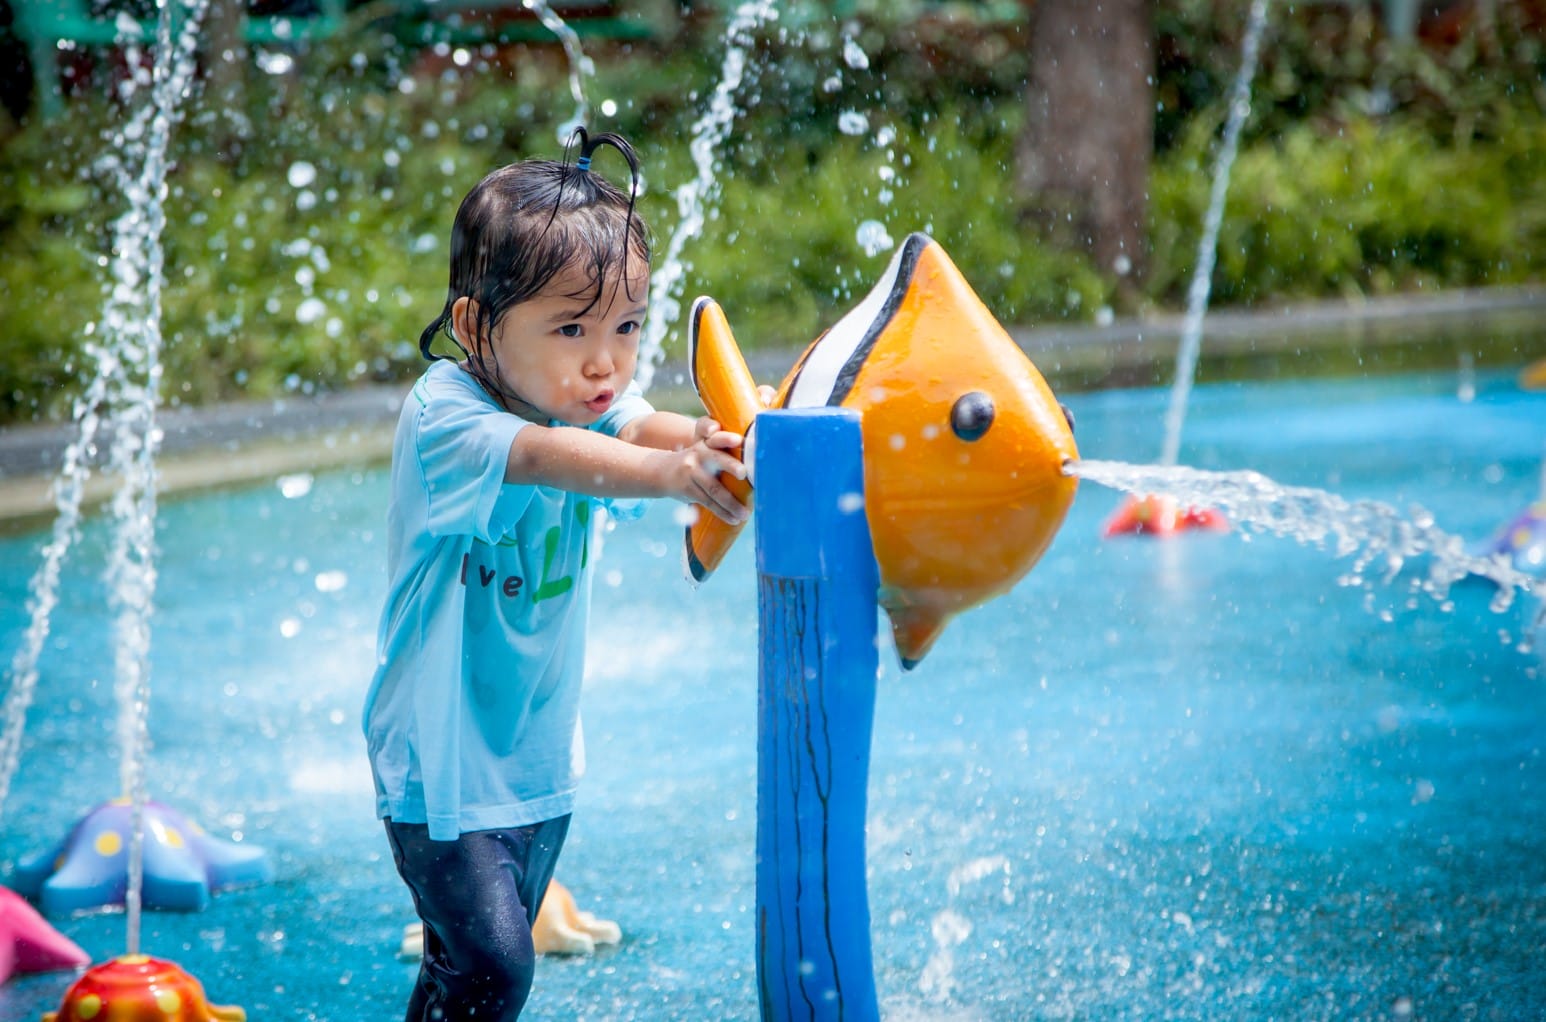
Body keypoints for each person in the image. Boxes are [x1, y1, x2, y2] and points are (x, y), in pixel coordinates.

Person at [362, 128, 752, 1021]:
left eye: (625, 327)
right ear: (473, 327)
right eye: (570, 328)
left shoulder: (586, 397)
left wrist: (709, 442)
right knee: (495, 969)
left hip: (536, 757)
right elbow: (549, 457)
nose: (604, 361)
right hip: (441, 766)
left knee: (467, 972)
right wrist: (672, 475)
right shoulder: (445, 418)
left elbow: (643, 427)